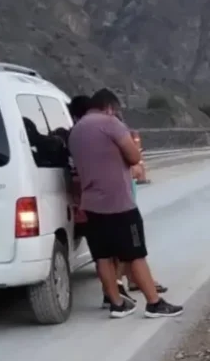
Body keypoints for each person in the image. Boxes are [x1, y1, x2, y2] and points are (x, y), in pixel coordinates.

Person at [68, 88, 183, 319]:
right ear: (110, 108)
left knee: (102, 256)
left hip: (91, 204)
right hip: (119, 203)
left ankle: (117, 304)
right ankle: (154, 303)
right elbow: (134, 157)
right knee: (135, 253)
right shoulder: (110, 123)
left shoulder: (75, 131)